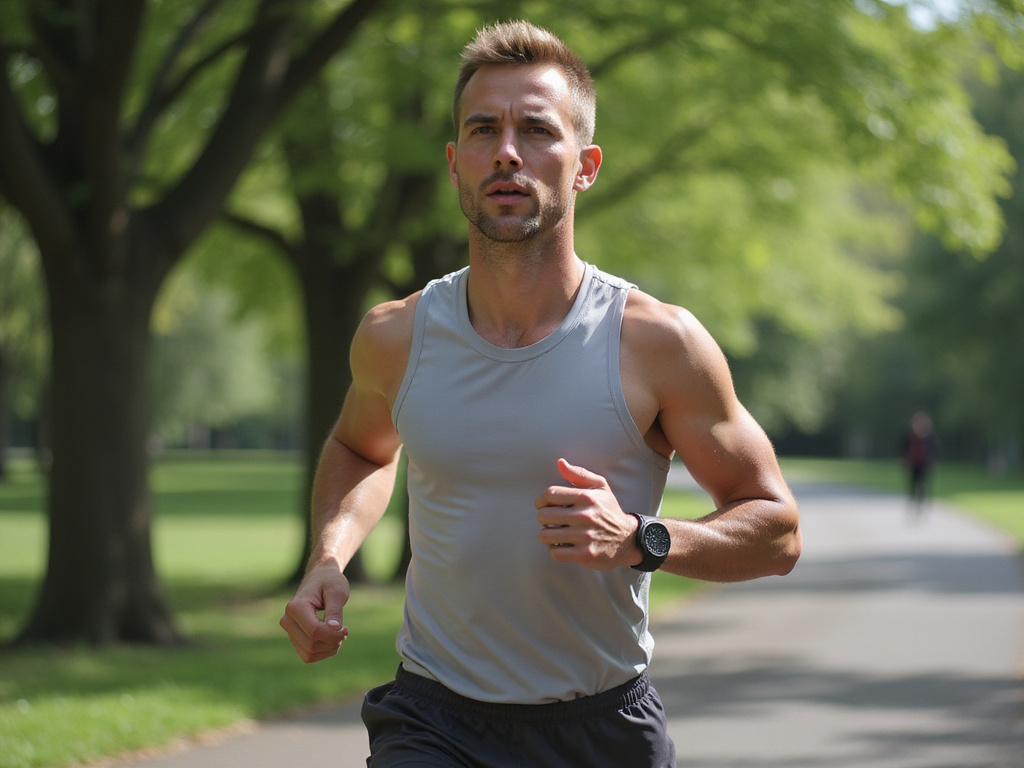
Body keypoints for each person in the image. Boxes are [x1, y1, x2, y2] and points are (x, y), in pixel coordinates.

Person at [280, 20, 801, 767]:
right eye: (483, 130)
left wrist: (643, 539)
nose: (507, 152)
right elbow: (360, 449)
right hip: (432, 719)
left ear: (585, 165)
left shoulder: (658, 342)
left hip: (601, 728)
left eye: (536, 130)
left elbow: (778, 531)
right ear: (455, 164)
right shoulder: (396, 336)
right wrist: (327, 558)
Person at [902, 411, 939, 516]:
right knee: (912, 485)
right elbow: (903, 448)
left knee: (922, 485)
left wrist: (933, 461)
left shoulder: (929, 437)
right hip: (913, 464)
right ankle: (912, 504)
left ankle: (920, 505)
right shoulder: (909, 436)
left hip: (924, 464)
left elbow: (935, 450)